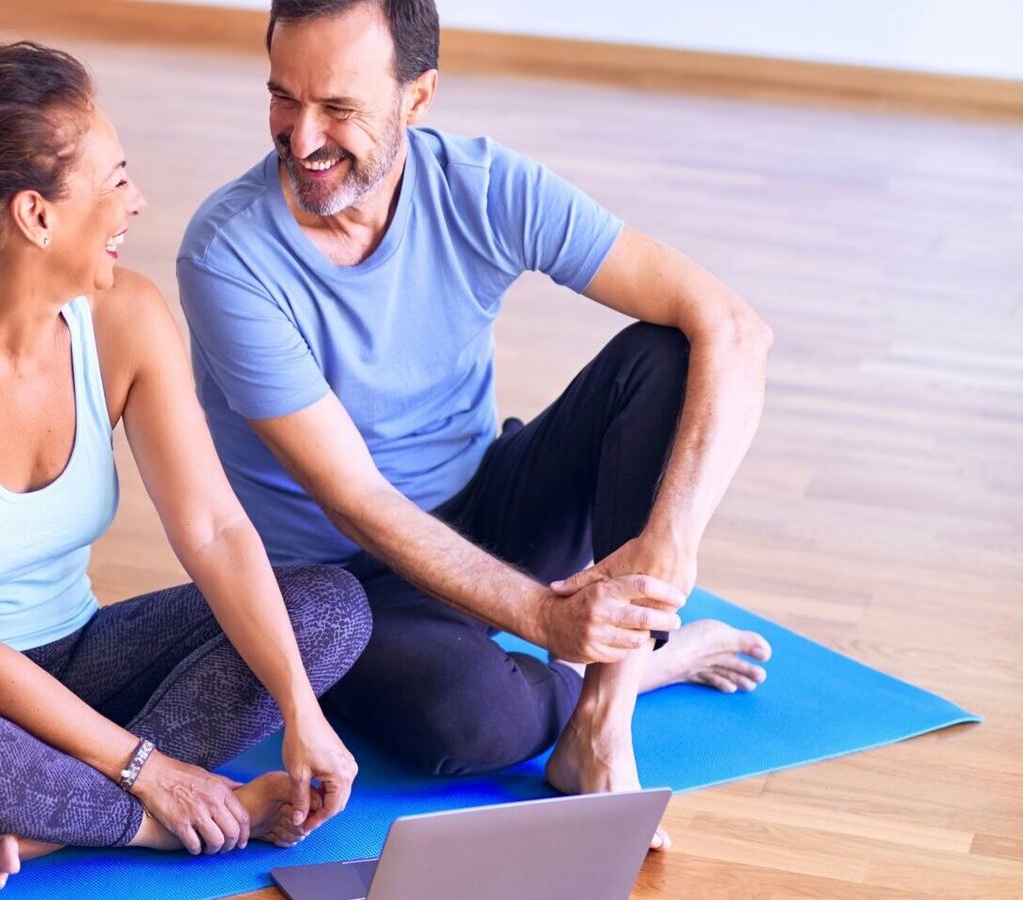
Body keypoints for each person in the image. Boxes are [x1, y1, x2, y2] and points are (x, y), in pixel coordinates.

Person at [177, 0, 774, 851]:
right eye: (283, 96)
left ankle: (601, 726)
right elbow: (355, 501)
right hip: (345, 582)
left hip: (488, 499)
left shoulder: (484, 187)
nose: (301, 137)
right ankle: (644, 665)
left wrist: (671, 542)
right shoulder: (228, 255)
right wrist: (545, 620)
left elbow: (735, 327)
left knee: (669, 352)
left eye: (339, 109)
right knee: (464, 724)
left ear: (416, 99)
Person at [0, 41, 372, 890]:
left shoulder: (128, 321)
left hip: (76, 658)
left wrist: (300, 708)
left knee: (330, 609)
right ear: (36, 216)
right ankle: (144, 823)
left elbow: (215, 530)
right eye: (113, 182)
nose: (135, 202)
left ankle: (45, 824)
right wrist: (152, 774)